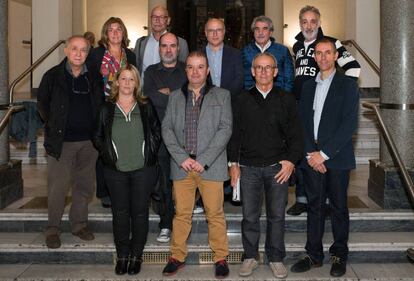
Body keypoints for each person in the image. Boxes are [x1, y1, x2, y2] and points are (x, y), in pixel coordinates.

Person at [228, 53, 303, 279]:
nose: (263, 72)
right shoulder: (240, 99)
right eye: (259, 68)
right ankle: (250, 256)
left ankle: (276, 257)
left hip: (276, 168)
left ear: (275, 72)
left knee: (276, 216)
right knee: (249, 216)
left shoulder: (287, 99)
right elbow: (234, 135)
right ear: (252, 71)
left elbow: (296, 136)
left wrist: (290, 161)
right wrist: (233, 163)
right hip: (248, 168)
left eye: (268, 67)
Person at [290, 38, 359, 277]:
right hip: (311, 157)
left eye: (327, 53)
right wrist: (311, 153)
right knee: (314, 207)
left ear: (335, 56)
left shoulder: (347, 85)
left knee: (339, 207)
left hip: (336, 158)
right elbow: (302, 123)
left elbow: (349, 124)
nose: (323, 57)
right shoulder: (308, 86)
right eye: (318, 53)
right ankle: (313, 254)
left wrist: (324, 154)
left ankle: (339, 254)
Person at [161, 51, 232, 279]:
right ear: (186, 70)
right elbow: (167, 129)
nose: (195, 71)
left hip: (210, 166)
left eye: (200, 67)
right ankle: (177, 257)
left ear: (208, 70)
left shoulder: (222, 95)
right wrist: (182, 158)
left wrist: (203, 160)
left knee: (215, 214)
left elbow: (225, 129)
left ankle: (220, 258)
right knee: (181, 214)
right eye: (191, 67)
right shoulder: (174, 97)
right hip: (182, 166)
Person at [287, 5, 361, 216]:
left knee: (323, 154)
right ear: (300, 24)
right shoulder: (297, 46)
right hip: (302, 105)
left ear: (319, 23)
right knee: (303, 156)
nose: (308, 25)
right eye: (304, 22)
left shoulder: (331, 42)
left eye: (313, 21)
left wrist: (340, 94)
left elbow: (354, 67)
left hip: (324, 102)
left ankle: (326, 201)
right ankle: (302, 200)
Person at [93, 65, 161, 275]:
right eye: (123, 79)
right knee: (120, 213)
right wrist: (109, 156)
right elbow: (97, 136)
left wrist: (147, 153)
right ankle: (122, 255)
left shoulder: (146, 105)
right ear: (117, 82)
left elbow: (156, 132)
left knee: (140, 213)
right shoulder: (106, 107)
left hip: (143, 170)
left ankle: (136, 256)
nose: (127, 83)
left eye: (132, 79)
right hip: (116, 171)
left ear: (136, 83)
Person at [37, 35, 102, 249]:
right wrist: (55, 126)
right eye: (74, 49)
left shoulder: (93, 76)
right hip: (61, 143)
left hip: (88, 143)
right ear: (66, 51)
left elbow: (99, 103)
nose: (78, 53)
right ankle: (53, 229)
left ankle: (79, 224)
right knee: (58, 187)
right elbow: (43, 105)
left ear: (88, 53)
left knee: (84, 186)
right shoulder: (52, 76)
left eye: (83, 50)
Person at [87, 17, 137, 208]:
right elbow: (91, 83)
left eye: (118, 29)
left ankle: (124, 188)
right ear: (105, 34)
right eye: (111, 29)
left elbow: (134, 81)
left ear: (123, 33)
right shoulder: (96, 54)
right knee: (104, 150)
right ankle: (104, 192)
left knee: (124, 148)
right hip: (104, 110)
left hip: (126, 108)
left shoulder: (130, 56)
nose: (115, 33)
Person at [143, 32, 187, 243]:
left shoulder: (188, 69)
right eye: (164, 46)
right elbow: (149, 99)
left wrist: (167, 93)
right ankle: (166, 223)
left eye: (172, 46)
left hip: (186, 136)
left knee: (185, 180)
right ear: (159, 49)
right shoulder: (151, 72)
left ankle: (184, 217)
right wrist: (176, 94)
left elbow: (192, 98)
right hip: (159, 137)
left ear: (178, 49)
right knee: (163, 183)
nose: (168, 50)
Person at [242, 15, 294, 92]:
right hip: (251, 98)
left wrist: (284, 97)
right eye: (257, 29)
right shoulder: (244, 51)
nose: (260, 32)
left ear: (271, 32)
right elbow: (241, 78)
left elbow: (289, 78)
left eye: (264, 29)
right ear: (253, 32)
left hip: (278, 97)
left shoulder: (283, 51)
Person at [134, 5, 189, 77]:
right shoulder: (140, 43)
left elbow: (185, 71)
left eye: (161, 17)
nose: (157, 20)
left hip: (171, 87)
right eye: (154, 17)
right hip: (145, 87)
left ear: (168, 21)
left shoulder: (181, 43)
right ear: (150, 20)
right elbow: (135, 69)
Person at [204, 18, 244, 97]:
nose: (215, 34)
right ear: (206, 33)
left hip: (230, 101)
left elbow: (239, 79)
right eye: (211, 30)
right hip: (204, 103)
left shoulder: (236, 54)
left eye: (218, 30)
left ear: (224, 32)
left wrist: (225, 96)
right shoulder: (198, 55)